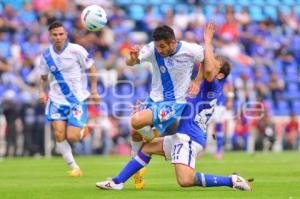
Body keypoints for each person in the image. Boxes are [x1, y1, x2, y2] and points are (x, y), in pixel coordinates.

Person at [95, 23, 253, 191]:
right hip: (182, 134)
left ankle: (232, 181)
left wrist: (207, 41)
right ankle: (117, 182)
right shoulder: (203, 81)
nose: (210, 63)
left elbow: (207, 69)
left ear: (219, 74)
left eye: (214, 64)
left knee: (185, 180)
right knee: (147, 147)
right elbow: (203, 66)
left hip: (190, 138)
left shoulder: (212, 85)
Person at [126, 24, 204, 189]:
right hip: (153, 98)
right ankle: (138, 171)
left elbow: (207, 59)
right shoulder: (152, 49)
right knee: (134, 132)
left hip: (174, 103)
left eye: (162, 46)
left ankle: (150, 139)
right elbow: (131, 62)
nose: (159, 50)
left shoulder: (191, 50)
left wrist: (197, 81)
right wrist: (132, 59)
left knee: (136, 121)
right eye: (157, 46)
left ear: (173, 42)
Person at [38, 21, 100, 176]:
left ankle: (82, 131)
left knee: (72, 137)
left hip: (76, 100)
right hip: (56, 100)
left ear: (66, 35)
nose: (58, 37)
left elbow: (91, 68)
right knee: (59, 134)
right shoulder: (46, 55)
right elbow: (43, 77)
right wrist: (41, 92)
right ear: (50, 36)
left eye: (61, 34)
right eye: (55, 34)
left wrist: (94, 90)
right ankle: (74, 167)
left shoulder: (77, 50)